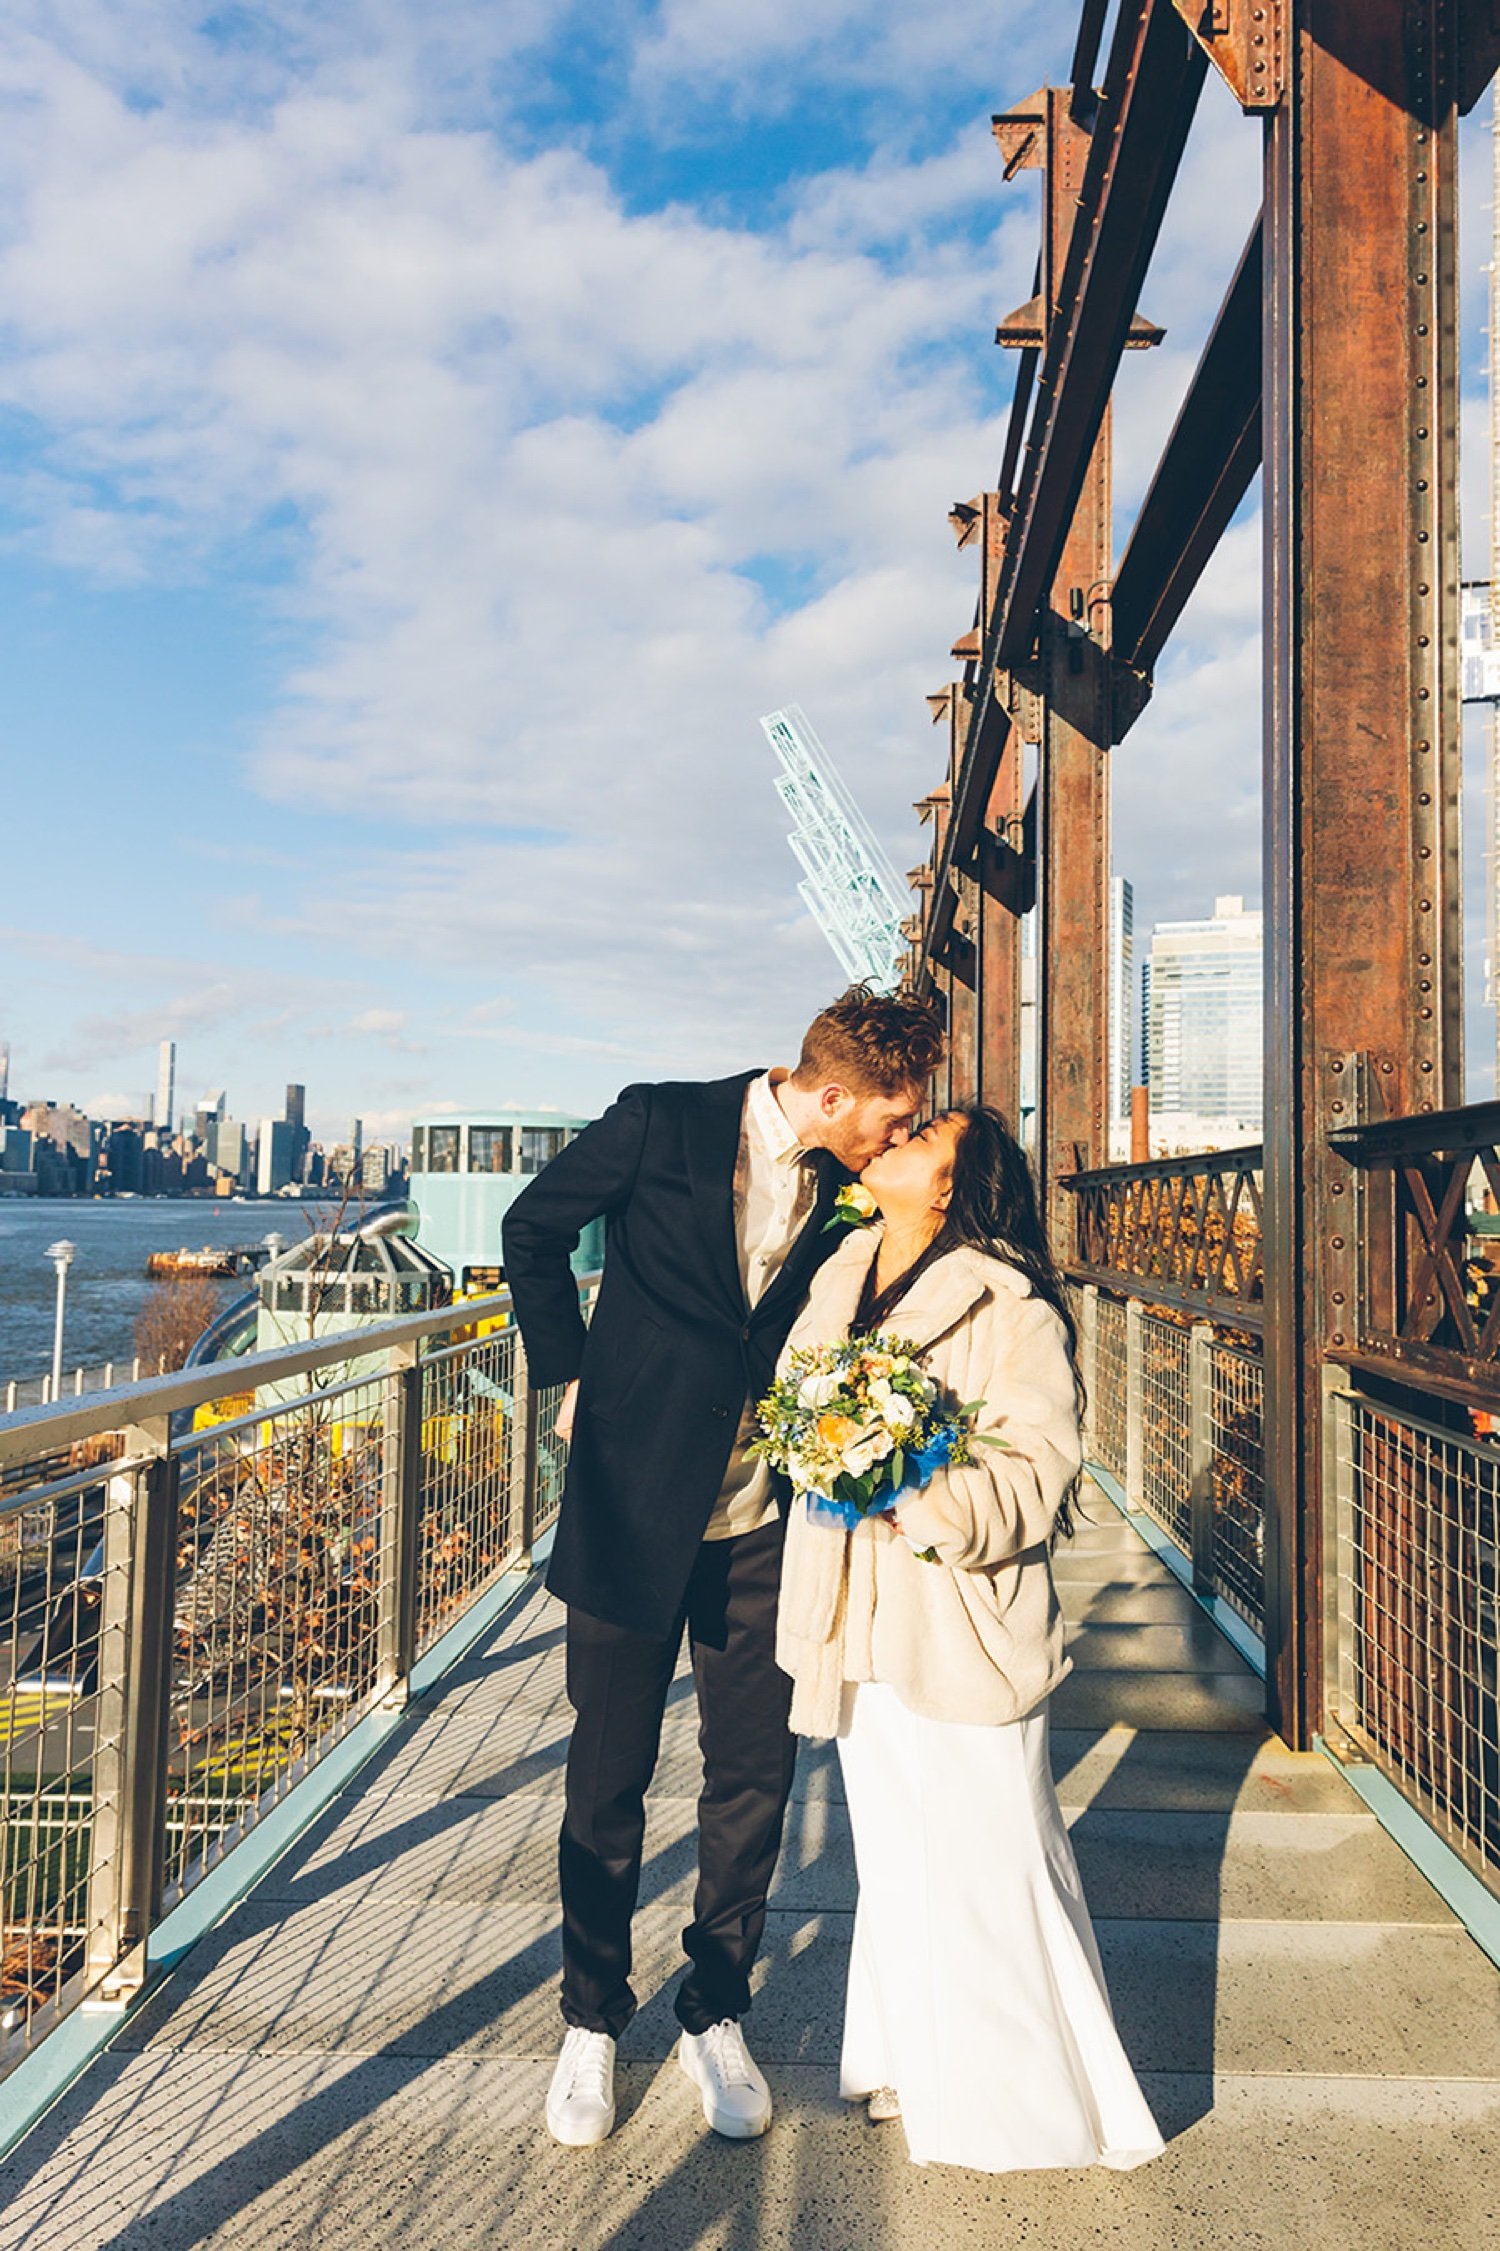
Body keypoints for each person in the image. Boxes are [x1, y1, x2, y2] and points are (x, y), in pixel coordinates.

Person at [502, 986, 947, 2148]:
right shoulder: (660, 1122)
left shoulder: (856, 1188)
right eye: (891, 1116)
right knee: (605, 1786)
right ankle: (591, 2023)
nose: (896, 1138)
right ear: (837, 1090)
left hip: (766, 1525)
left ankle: (716, 2011)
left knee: (752, 1781)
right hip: (626, 1507)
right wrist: (573, 1373)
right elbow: (532, 1229)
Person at [774, 1105, 1165, 2175]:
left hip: (959, 1617)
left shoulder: (1011, 1305)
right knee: (896, 1851)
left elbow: (1038, 1470)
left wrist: (918, 1493)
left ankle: (1027, 2105)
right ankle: (905, 2053)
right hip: (854, 1611)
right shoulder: (840, 1272)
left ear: (950, 1186)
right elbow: (795, 1409)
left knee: (998, 1857)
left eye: (926, 1133)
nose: (896, 1137)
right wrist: (829, 1449)